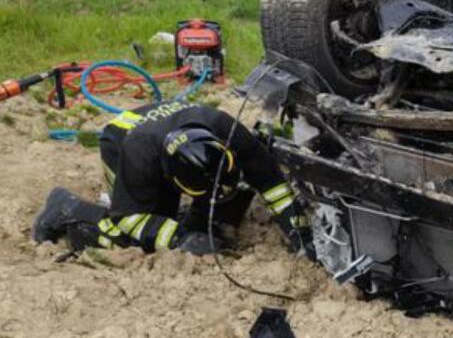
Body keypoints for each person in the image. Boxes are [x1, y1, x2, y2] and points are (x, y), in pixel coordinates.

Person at [32, 100, 312, 256]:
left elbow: (272, 183)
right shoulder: (139, 157)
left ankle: (194, 220)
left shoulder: (227, 129)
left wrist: (299, 232)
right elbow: (129, 218)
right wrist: (178, 239)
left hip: (169, 127)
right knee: (132, 240)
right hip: (122, 141)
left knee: (230, 200)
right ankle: (66, 207)